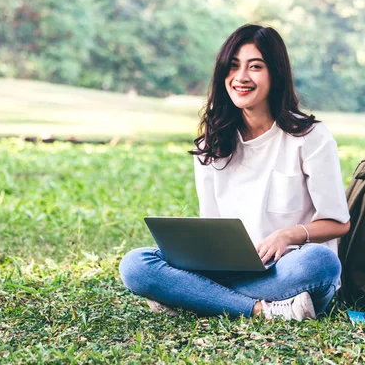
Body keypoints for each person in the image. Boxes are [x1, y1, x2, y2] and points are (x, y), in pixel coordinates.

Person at [119, 24, 350, 320]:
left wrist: (288, 235)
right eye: (233, 66)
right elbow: (212, 229)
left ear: (275, 74)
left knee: (321, 262)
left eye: (255, 67)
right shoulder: (211, 144)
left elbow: (338, 222)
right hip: (230, 271)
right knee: (135, 264)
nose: (241, 77)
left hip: (288, 270)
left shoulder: (309, 136)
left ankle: (195, 298)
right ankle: (260, 310)